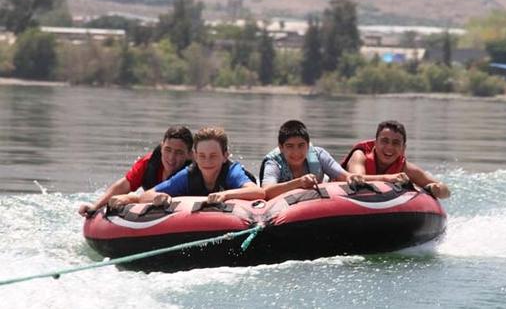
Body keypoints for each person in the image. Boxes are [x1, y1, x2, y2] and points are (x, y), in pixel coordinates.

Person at [122, 127, 264, 206]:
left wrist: (224, 195)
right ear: (194, 156)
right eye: (202, 156)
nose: (207, 161)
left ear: (225, 156)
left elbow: (258, 193)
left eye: (213, 156)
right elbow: (147, 195)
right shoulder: (188, 175)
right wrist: (162, 197)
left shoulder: (232, 172)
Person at [77, 125, 193, 216]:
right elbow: (123, 185)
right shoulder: (148, 163)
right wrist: (95, 206)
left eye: (179, 152)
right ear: (162, 147)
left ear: (190, 155)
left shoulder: (195, 171)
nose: (171, 158)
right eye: (168, 150)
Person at [341, 120, 450, 199]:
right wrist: (388, 178)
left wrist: (436, 189)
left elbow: (446, 192)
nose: (389, 147)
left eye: (396, 143)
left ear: (403, 149)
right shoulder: (360, 155)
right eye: (384, 141)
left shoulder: (406, 168)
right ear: (375, 143)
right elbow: (356, 179)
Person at [260, 120, 364, 199]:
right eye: (290, 146)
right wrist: (299, 182)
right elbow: (266, 192)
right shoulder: (274, 162)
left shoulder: (319, 155)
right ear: (281, 147)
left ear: (308, 145)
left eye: (301, 145)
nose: (296, 152)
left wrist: (355, 178)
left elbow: (346, 177)